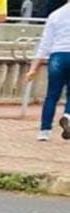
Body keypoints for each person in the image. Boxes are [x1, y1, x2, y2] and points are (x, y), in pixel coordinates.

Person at [26, 0, 70, 140]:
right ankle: (68, 116)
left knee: (51, 95)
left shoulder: (55, 15)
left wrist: (33, 68)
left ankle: (44, 131)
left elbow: (45, 43)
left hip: (57, 55)